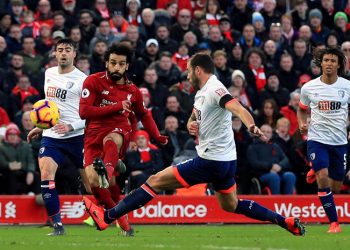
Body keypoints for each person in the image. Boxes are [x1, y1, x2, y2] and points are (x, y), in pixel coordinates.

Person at [83, 52, 305, 236]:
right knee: (231, 205)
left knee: (155, 181)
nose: (188, 75)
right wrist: (191, 124)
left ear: (198, 70)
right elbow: (195, 115)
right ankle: (284, 221)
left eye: (189, 70)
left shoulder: (216, 89)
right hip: (226, 162)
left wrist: (251, 125)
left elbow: (238, 108)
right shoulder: (202, 94)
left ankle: (107, 217)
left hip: (210, 160)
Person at [79, 43, 167, 236]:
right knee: (94, 183)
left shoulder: (133, 90)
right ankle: (124, 224)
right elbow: (84, 112)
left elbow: (144, 114)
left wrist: (157, 135)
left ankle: (108, 170)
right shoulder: (93, 81)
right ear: (106, 63)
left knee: (112, 140)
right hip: (92, 134)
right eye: (113, 63)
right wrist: (117, 105)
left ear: (127, 66)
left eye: (121, 64)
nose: (116, 67)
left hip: (118, 130)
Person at [26, 38, 87, 236]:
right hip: (52, 136)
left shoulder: (83, 80)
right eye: (59, 50)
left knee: (91, 184)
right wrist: (41, 126)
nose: (62, 53)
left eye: (67, 50)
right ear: (55, 53)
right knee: (46, 174)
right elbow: (50, 105)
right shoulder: (49, 73)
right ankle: (58, 225)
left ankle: (115, 215)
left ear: (74, 54)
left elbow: (91, 115)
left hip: (77, 136)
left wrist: (71, 126)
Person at [297, 47, 350, 233]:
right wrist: (302, 123)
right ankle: (334, 223)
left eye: (333, 61)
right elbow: (302, 109)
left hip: (340, 142)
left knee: (335, 185)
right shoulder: (309, 87)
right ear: (321, 63)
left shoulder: (347, 86)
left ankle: (315, 168)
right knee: (323, 179)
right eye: (326, 60)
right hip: (317, 139)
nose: (329, 64)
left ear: (338, 65)